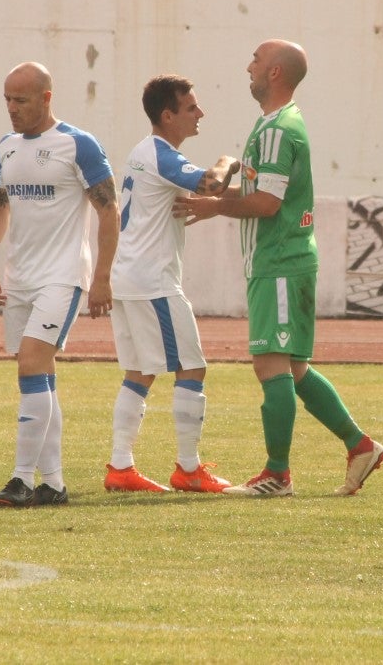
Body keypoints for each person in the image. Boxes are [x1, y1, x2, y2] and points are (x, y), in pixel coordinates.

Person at [174, 39, 383, 497]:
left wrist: (213, 208)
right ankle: (360, 445)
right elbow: (265, 195)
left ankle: (277, 475)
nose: (246, 66)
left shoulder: (276, 130)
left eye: (254, 60)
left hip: (281, 263)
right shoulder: (274, 125)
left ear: (273, 72)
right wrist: (214, 198)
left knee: (270, 364)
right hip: (281, 262)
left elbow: (268, 204)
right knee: (292, 370)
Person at [0, 61, 119, 508]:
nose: (12, 108)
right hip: (20, 278)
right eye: (7, 99)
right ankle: (54, 482)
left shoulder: (78, 145)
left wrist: (101, 276)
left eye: (21, 100)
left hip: (62, 277)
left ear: (46, 98)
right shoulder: (7, 147)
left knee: (31, 364)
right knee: (39, 373)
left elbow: (109, 209)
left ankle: (20, 478)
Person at [105, 75, 239, 494]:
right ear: (168, 115)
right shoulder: (161, 155)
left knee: (140, 373)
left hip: (128, 277)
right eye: (192, 107)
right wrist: (227, 160)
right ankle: (188, 468)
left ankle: (121, 467)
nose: (201, 113)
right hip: (152, 281)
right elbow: (211, 184)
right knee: (192, 367)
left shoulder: (143, 153)